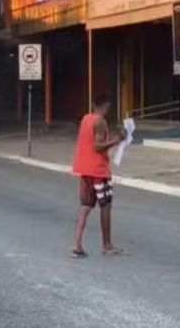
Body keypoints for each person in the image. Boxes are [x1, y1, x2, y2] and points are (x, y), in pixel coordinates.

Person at [70, 94, 126, 259]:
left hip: (84, 168)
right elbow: (98, 146)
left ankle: (77, 244)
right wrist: (117, 140)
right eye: (107, 106)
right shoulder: (100, 121)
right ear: (103, 106)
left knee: (85, 206)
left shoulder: (86, 118)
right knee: (106, 205)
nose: (108, 109)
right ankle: (107, 245)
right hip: (99, 170)